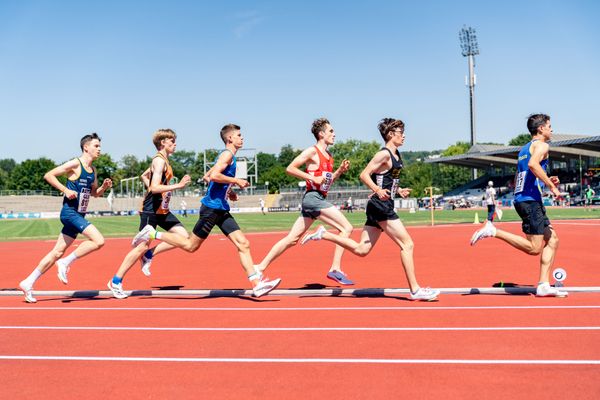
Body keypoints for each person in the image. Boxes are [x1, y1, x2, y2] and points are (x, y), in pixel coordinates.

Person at [131, 124, 281, 297]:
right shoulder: (227, 155)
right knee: (190, 246)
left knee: (243, 243)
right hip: (211, 209)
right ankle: (152, 234)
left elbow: (208, 177)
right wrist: (237, 181)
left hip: (221, 208)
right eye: (239, 135)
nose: (242, 138)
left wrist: (229, 191)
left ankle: (256, 284)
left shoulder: (229, 156)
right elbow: (215, 175)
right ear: (230, 138)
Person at [301, 118, 440, 301]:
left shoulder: (396, 154)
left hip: (382, 204)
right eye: (400, 132)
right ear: (391, 135)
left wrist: (398, 190)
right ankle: (415, 290)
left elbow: (387, 179)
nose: (404, 136)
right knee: (407, 244)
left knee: (361, 250)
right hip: (381, 206)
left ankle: (324, 234)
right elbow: (364, 174)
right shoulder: (383, 154)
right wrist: (377, 190)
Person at [470, 113, 567, 297]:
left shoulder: (524, 149)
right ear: (541, 128)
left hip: (526, 199)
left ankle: (543, 285)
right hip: (530, 202)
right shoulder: (542, 145)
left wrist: (545, 179)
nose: (551, 129)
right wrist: (551, 185)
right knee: (534, 248)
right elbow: (533, 165)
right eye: (549, 126)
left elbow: (524, 174)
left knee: (553, 240)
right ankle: (493, 230)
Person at [253, 118, 354, 285]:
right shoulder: (312, 152)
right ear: (321, 134)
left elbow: (326, 182)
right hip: (312, 198)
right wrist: (312, 177)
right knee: (346, 228)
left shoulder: (329, 156)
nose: (334, 134)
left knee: (291, 239)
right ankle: (335, 268)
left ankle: (260, 267)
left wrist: (339, 172)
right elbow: (290, 168)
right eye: (331, 131)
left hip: (318, 198)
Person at [18, 133, 112, 303]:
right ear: (86, 147)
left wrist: (104, 188)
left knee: (57, 252)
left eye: (100, 146)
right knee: (99, 241)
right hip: (69, 213)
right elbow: (49, 175)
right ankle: (65, 262)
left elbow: (94, 194)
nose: (99, 149)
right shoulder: (76, 164)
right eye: (96, 146)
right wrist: (65, 190)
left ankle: (28, 282)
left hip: (79, 214)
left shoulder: (93, 171)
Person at [107, 129, 192, 299]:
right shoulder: (159, 161)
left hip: (162, 210)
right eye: (172, 141)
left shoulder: (163, 160)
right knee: (141, 246)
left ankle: (150, 254)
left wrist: (154, 187)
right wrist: (178, 186)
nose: (175, 144)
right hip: (151, 210)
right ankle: (115, 281)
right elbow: (154, 187)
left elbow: (144, 175)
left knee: (183, 238)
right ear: (163, 143)